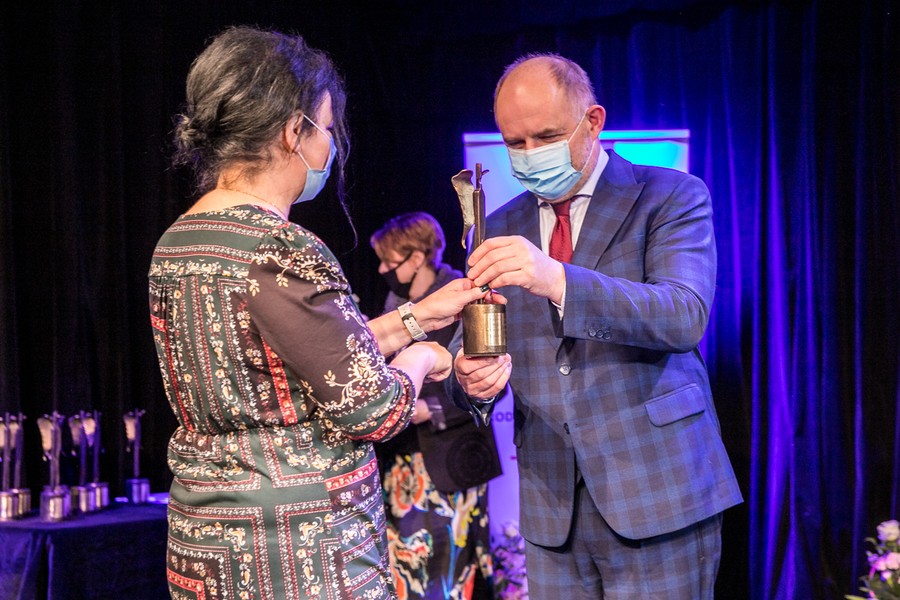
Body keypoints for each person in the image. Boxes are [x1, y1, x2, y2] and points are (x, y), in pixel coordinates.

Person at [148, 26, 489, 599]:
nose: (330, 146)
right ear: (293, 131)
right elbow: (373, 409)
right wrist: (425, 356)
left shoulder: (179, 240)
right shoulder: (280, 247)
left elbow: (306, 354)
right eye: (327, 129)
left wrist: (417, 316)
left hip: (207, 543)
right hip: (299, 552)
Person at [451, 53, 743, 599]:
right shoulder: (499, 225)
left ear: (593, 121)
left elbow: (683, 315)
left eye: (546, 136)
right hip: (551, 507)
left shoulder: (670, 195)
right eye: (515, 143)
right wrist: (469, 378)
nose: (530, 154)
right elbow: (465, 349)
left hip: (658, 494)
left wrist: (558, 279)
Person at [370, 212, 502, 599]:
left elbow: (486, 381)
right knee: (405, 573)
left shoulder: (464, 296)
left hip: (449, 460)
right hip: (401, 462)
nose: (381, 270)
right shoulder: (394, 305)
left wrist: (430, 408)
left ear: (416, 258)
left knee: (447, 574)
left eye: (388, 261)